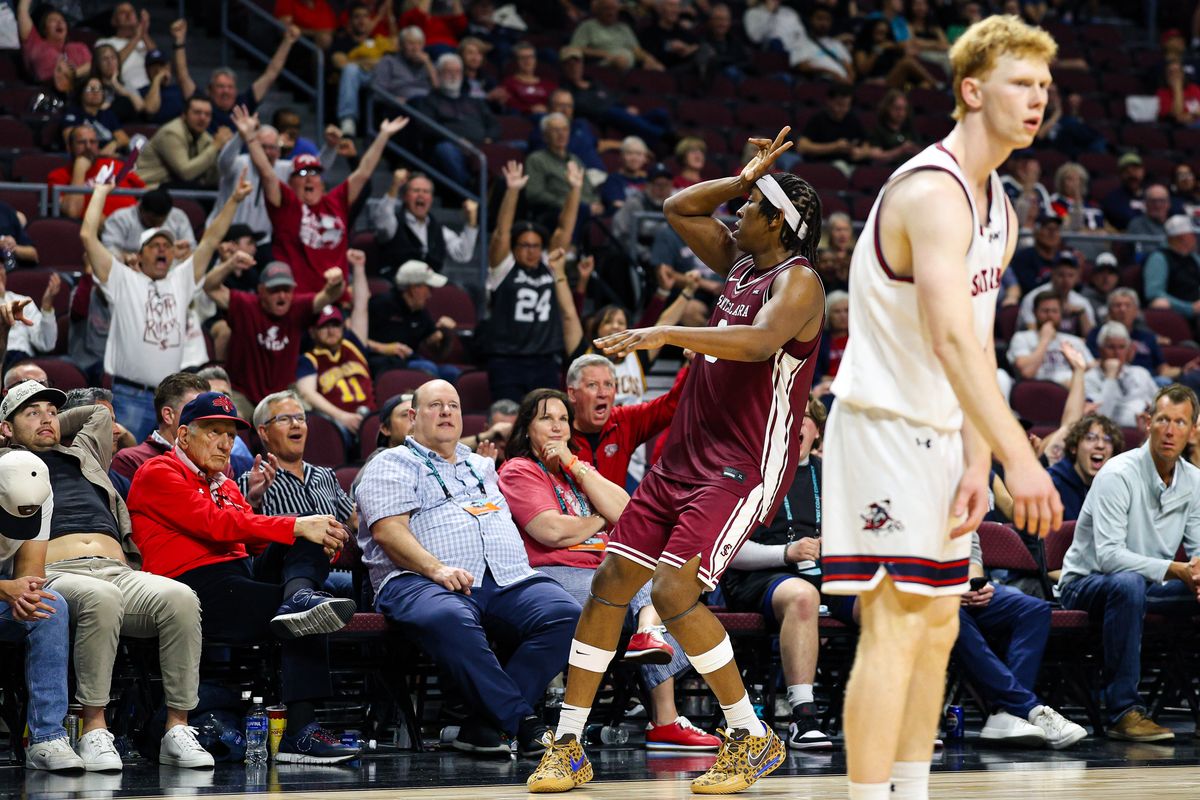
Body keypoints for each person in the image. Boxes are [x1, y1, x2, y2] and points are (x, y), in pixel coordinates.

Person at [528, 127, 825, 794]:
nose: (737, 214)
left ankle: (749, 736)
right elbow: (679, 208)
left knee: (671, 591)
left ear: (778, 222)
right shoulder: (742, 264)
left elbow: (754, 343)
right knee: (610, 585)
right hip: (681, 458)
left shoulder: (801, 282)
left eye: (749, 208)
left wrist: (667, 331)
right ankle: (569, 746)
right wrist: (747, 176)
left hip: (741, 465)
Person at [821, 17, 1061, 800]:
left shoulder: (1001, 204)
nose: (1038, 99)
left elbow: (980, 346)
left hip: (938, 435)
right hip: (882, 428)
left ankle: (913, 789)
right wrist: (1022, 458)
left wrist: (979, 458)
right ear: (971, 88)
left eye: (1045, 87)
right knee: (893, 626)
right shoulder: (933, 192)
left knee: (939, 625)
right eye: (1022, 83)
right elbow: (950, 341)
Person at [127, 392, 361, 762]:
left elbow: (247, 541)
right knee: (302, 591)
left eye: (231, 435)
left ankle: (299, 595)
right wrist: (294, 523)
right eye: (214, 431)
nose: (225, 443)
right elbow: (218, 525)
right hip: (192, 590)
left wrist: (306, 530)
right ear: (184, 435)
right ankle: (298, 732)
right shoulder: (159, 472)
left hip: (238, 578)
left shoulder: (225, 482)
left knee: (307, 550)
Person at [355, 379, 582, 757]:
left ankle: (482, 726)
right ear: (412, 417)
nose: (446, 412)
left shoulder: (481, 465)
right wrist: (436, 568)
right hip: (418, 580)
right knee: (450, 616)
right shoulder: (391, 463)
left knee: (567, 615)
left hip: (505, 577)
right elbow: (389, 532)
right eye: (435, 406)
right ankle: (523, 722)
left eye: (454, 406)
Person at [0, 381, 214, 771]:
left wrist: (45, 424)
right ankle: (94, 727)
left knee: (181, 597)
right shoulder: (5, 463)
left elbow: (98, 412)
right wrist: (20, 431)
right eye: (33, 413)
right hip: (55, 571)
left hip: (117, 568)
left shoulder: (83, 452)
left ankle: (177, 728)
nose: (47, 418)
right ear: (6, 428)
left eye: (52, 411)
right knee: (102, 597)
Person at [498, 388, 719, 752]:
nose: (556, 427)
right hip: (553, 574)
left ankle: (650, 635)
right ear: (526, 429)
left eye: (563, 420)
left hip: (597, 571)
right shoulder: (519, 470)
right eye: (545, 418)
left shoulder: (577, 472)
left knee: (656, 582)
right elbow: (551, 531)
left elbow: (630, 514)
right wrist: (600, 520)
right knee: (648, 588)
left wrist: (575, 466)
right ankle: (663, 714)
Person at [1059, 385, 1200, 742]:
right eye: (1163, 420)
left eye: (1180, 422)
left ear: (1193, 431)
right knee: (1127, 583)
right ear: (1148, 423)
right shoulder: (1117, 473)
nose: (1170, 430)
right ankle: (1123, 711)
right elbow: (1108, 558)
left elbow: (1197, 551)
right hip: (1086, 585)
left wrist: (1195, 572)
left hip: (1150, 586)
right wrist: (1177, 570)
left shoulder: (1195, 481)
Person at [80, 174, 249, 441]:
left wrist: (235, 200)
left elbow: (211, 239)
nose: (162, 249)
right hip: (129, 396)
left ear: (173, 254)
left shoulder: (180, 280)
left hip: (171, 400)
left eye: (167, 246)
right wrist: (101, 191)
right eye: (155, 245)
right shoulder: (123, 279)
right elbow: (87, 236)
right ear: (141, 253)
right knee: (122, 468)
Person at [717, 397, 834, 751]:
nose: (796, 423)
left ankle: (893, 718)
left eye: (805, 417)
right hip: (760, 576)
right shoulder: (749, 474)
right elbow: (729, 549)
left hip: (826, 574)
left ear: (817, 430)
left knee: (887, 599)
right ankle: (803, 717)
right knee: (802, 596)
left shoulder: (833, 473)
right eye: (788, 416)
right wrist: (786, 552)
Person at [233, 104, 409, 295]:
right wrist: (250, 137)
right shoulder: (286, 205)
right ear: (290, 182)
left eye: (315, 172)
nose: (309, 177)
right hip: (300, 301)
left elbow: (363, 172)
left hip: (335, 298)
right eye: (302, 173)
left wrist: (383, 135)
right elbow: (267, 173)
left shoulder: (336, 201)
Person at [957, 530, 1086, 748]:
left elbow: (971, 552)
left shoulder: (952, 498)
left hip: (957, 587)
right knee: (949, 615)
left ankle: (1006, 714)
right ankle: (1028, 708)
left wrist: (975, 586)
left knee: (1033, 609)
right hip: (915, 592)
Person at [0, 449, 85, 773]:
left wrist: (22, 595)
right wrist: (5, 589)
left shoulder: (40, 493)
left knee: (50, 606)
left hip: (4, 592)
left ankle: (47, 739)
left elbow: (30, 575)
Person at [484, 161, 582, 401]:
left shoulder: (550, 266)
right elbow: (501, 233)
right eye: (525, 245)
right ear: (515, 248)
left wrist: (575, 190)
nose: (531, 251)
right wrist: (513, 190)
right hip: (507, 360)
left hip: (545, 360)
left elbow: (564, 231)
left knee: (545, 419)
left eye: (536, 246)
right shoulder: (503, 269)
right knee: (507, 420)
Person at [203, 258, 347, 405]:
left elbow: (330, 295)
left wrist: (337, 281)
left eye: (286, 289)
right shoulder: (245, 305)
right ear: (261, 291)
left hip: (283, 393)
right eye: (274, 290)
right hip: (243, 393)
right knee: (232, 418)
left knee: (306, 420)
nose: (282, 296)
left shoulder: (298, 307)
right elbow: (210, 287)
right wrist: (230, 264)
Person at [239, 391, 356, 530]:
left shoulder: (325, 475)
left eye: (300, 418)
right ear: (264, 432)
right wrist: (252, 500)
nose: (296, 424)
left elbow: (353, 521)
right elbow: (245, 532)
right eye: (284, 419)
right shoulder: (252, 482)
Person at [565, 353, 685, 486]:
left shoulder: (624, 421)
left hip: (616, 506)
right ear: (572, 393)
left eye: (608, 384)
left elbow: (671, 404)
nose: (602, 393)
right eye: (592, 385)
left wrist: (695, 364)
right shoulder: (557, 432)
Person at [297, 253, 375, 433]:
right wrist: (342, 417)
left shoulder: (353, 344)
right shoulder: (309, 359)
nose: (331, 330)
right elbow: (308, 393)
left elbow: (361, 306)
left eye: (335, 325)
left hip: (371, 419)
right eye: (324, 326)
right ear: (313, 331)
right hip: (338, 424)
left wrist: (359, 267)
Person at [412, 52, 500, 188]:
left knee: (520, 147)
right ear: (439, 74)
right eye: (448, 71)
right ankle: (469, 188)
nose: (453, 75)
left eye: (457, 71)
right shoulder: (429, 101)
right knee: (444, 149)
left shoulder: (474, 101)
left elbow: (493, 124)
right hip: (452, 146)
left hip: (481, 145)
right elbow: (425, 127)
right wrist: (456, 140)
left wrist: (489, 139)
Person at [371, 170, 479, 278]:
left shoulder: (439, 230)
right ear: (405, 196)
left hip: (429, 288)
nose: (421, 195)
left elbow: (463, 255)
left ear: (431, 199)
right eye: (416, 190)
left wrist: (471, 222)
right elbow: (381, 221)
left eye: (426, 191)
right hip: (396, 285)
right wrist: (394, 188)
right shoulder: (393, 223)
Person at [109, 371, 210, 484]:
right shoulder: (130, 461)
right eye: (196, 410)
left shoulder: (214, 464)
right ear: (168, 415)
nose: (207, 419)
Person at [47, 123, 144, 220]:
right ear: (69, 147)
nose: (88, 146)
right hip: (99, 229)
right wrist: (79, 170)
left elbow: (143, 194)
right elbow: (73, 212)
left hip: (135, 222)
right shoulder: (57, 176)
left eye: (93, 142)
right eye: (81, 142)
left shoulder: (115, 164)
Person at [135, 94, 233, 190]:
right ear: (184, 115)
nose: (203, 118)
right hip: (147, 187)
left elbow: (211, 179)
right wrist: (215, 146)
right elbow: (186, 173)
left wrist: (224, 150)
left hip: (173, 186)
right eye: (197, 112)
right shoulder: (171, 133)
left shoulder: (205, 138)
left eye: (207, 114)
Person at [332, 1, 397, 136]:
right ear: (349, 21)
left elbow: (394, 51)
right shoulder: (343, 41)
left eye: (365, 16)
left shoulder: (379, 41)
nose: (362, 20)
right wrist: (367, 62)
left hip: (380, 79)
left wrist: (365, 61)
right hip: (359, 78)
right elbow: (339, 62)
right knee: (351, 69)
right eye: (357, 17)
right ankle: (348, 120)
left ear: (370, 20)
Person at [1048, 414, 1121, 522]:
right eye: (1090, 438)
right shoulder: (1052, 483)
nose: (1100, 445)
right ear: (1074, 448)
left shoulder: (1116, 488)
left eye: (1107, 440)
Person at [1085, 322, 1159, 428]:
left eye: (1121, 347)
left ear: (1128, 350)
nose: (1117, 353)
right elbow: (1102, 417)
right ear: (1100, 350)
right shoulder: (1089, 379)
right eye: (1111, 347)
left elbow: (1160, 404)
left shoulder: (1140, 373)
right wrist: (1110, 377)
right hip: (1114, 433)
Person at [1007, 292, 1090, 387]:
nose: (1050, 315)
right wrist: (1044, 340)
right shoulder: (1022, 338)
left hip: (1072, 391)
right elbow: (1027, 373)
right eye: (1045, 311)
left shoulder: (1074, 341)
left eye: (1054, 311)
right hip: (1039, 390)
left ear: (1061, 314)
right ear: (1035, 312)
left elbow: (1091, 369)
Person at [99, 187, 196, 260]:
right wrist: (137, 258)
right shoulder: (120, 218)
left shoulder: (178, 216)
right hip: (129, 271)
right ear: (141, 209)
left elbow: (192, 249)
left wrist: (183, 252)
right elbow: (108, 252)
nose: (156, 225)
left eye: (161, 221)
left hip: (170, 272)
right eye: (152, 221)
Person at [569, 0, 663, 72]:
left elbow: (636, 50)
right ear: (598, 10)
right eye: (607, 9)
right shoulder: (588, 26)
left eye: (614, 9)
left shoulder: (624, 28)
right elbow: (575, 49)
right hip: (602, 67)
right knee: (621, 61)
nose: (611, 13)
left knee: (657, 68)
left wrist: (649, 59)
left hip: (629, 68)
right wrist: (605, 54)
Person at [1016, 252, 1094, 337]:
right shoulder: (1033, 297)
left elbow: (1090, 339)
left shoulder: (1082, 302)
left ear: (1077, 277)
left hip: (1069, 346)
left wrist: (1081, 313)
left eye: (1070, 275)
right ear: (1052, 274)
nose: (1066, 280)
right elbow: (1032, 333)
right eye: (1061, 275)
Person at [1143, 215, 1200, 322]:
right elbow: (1154, 294)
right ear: (1181, 237)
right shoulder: (1158, 258)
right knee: (1160, 303)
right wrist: (1189, 308)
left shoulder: (1193, 257)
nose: (1196, 238)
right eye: (1192, 235)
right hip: (1178, 314)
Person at [16, 0, 90, 82]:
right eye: (53, 20)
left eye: (62, 20)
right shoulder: (35, 43)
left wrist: (74, 73)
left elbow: (91, 66)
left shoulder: (79, 48)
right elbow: (22, 10)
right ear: (44, 29)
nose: (59, 22)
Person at [0, 266, 57, 370]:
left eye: (0, 268)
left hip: (21, 360)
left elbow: (46, 343)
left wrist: (47, 306)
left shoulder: (22, 301)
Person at [371, 25, 437, 103]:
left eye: (419, 44)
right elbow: (377, 91)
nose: (415, 48)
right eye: (410, 43)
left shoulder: (428, 63)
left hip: (427, 105)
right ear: (401, 45)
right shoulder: (388, 61)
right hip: (400, 106)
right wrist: (394, 100)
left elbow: (437, 87)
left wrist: (427, 63)